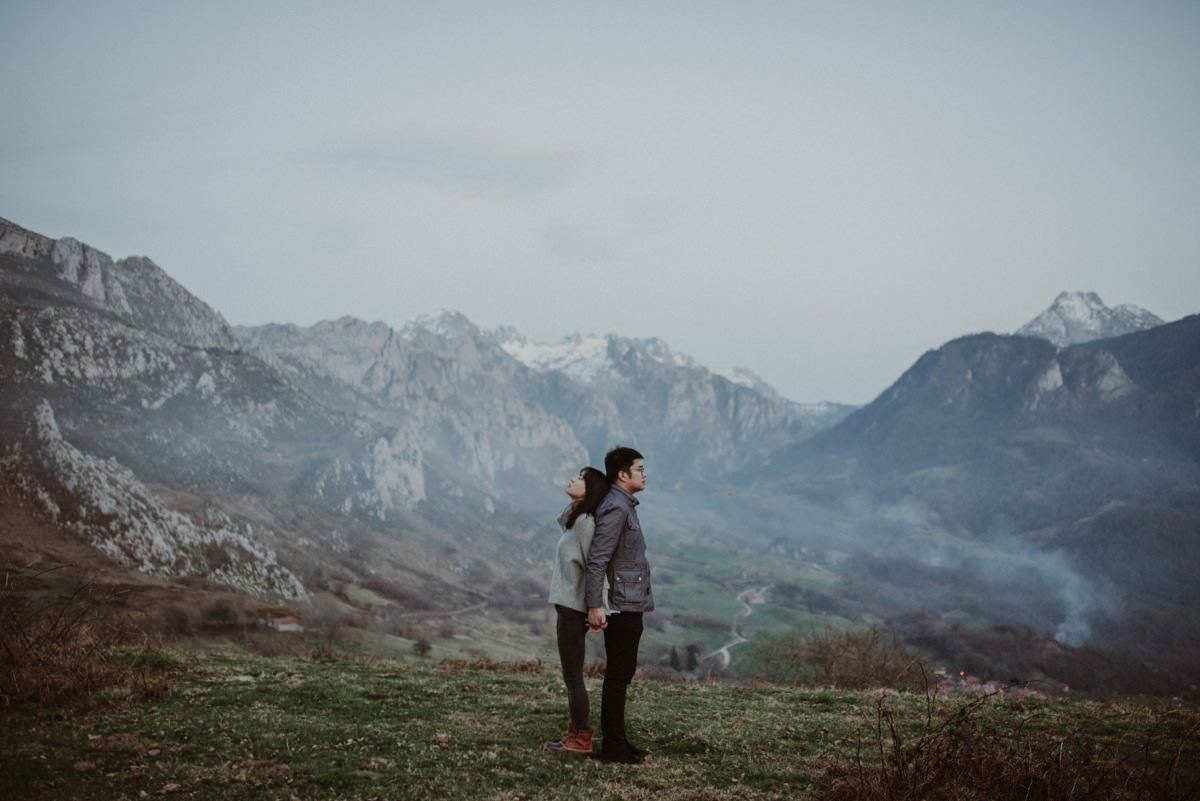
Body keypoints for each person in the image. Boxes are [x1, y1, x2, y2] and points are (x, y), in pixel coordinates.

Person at [585, 446, 653, 764]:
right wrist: (595, 605)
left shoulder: (624, 504)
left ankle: (619, 741)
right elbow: (597, 559)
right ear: (623, 475)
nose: (645, 473)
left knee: (622, 674)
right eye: (639, 469)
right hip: (620, 604)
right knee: (618, 675)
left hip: (630, 600)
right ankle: (612, 745)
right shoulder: (617, 507)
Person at [545, 466, 613, 755]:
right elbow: (564, 525)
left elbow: (596, 565)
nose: (573, 478)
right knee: (571, 674)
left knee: (573, 675)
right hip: (569, 605)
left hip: (575, 608)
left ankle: (581, 737)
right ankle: (575, 733)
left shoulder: (586, 522)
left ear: (591, 490)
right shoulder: (579, 518)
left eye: (581, 479)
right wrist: (576, 503)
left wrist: (598, 607)